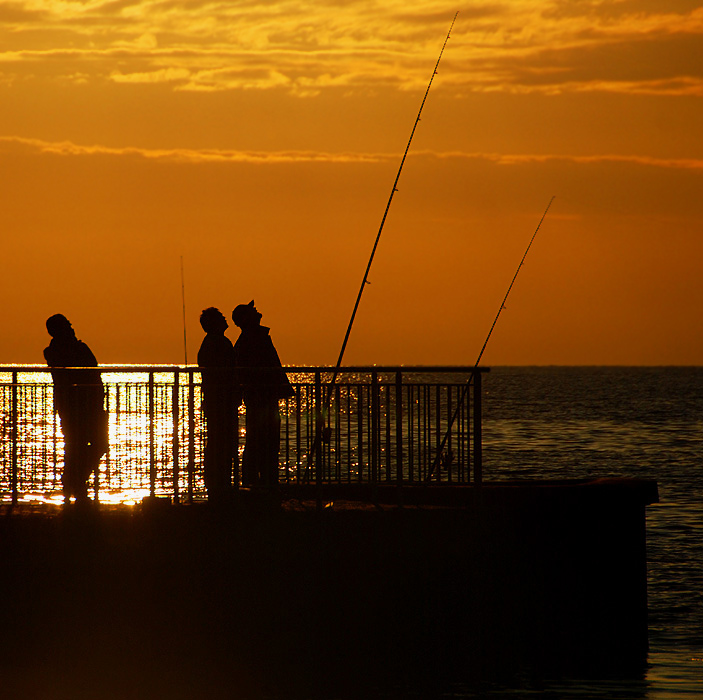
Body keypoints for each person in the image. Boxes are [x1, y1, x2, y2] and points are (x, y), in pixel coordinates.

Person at [44, 314, 108, 503]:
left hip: (85, 404)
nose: (72, 329)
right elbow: (91, 366)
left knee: (82, 446)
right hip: (78, 405)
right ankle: (76, 482)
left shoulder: (57, 350)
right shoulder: (60, 350)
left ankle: (74, 481)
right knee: (82, 445)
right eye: (67, 326)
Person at [231, 301, 293, 487]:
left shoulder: (254, 337)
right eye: (253, 311)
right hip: (262, 397)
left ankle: (261, 481)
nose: (258, 312)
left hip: (263, 396)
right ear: (246, 319)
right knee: (262, 440)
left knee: (263, 440)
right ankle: (261, 482)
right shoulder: (253, 339)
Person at [197, 307, 239, 501]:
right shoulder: (220, 343)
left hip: (217, 400)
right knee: (222, 443)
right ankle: (220, 485)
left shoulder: (210, 344)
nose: (225, 319)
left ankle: (217, 484)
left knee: (218, 442)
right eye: (221, 317)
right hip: (221, 400)